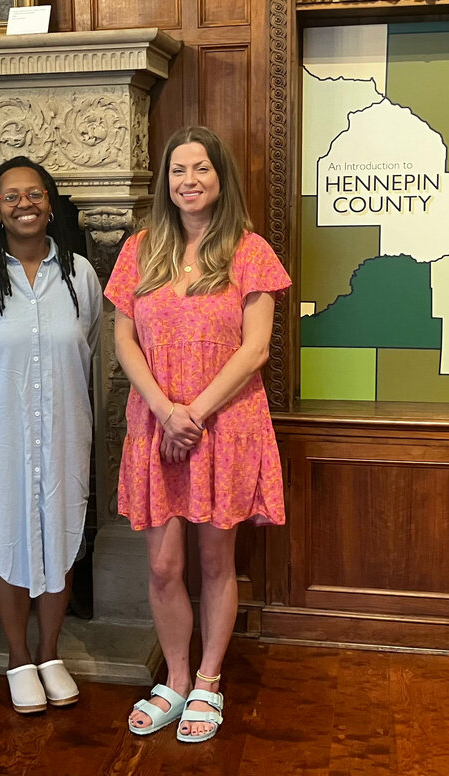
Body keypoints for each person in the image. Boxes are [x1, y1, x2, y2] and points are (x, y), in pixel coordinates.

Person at [104, 126, 290, 743]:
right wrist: (164, 410)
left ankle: (209, 680)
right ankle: (176, 678)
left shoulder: (250, 249)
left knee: (215, 562)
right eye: (179, 169)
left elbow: (257, 347)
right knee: (162, 565)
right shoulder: (140, 249)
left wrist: (196, 413)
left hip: (226, 424)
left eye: (201, 168)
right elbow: (124, 339)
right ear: (166, 180)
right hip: (155, 424)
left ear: (220, 177)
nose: (189, 180)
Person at [0, 156, 102, 714]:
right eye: (11, 197)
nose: (24, 204)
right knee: (7, 538)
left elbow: (90, 348)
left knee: (59, 536)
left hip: (63, 433)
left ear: (51, 204)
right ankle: (17, 657)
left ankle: (50, 653)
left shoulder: (80, 275)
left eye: (34, 194)